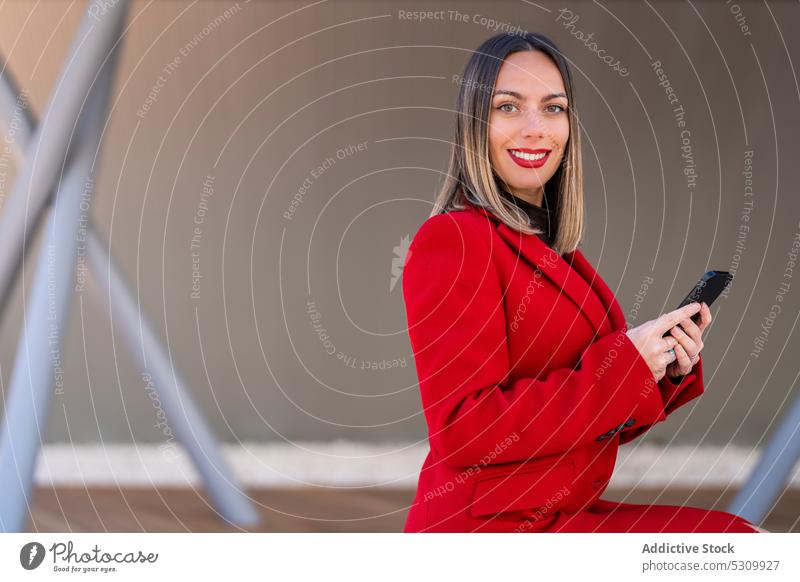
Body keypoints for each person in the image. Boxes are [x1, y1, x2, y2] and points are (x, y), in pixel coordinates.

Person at [401, 31, 764, 533]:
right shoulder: (454, 240)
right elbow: (465, 432)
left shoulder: (550, 247)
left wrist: (657, 364)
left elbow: (581, 423)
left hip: (558, 513)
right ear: (474, 124)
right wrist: (623, 366)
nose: (536, 128)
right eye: (508, 107)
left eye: (553, 109)